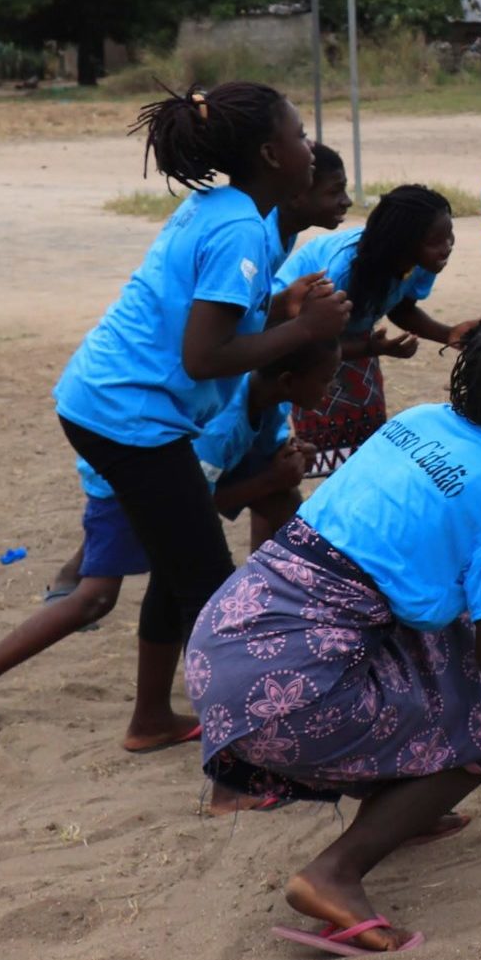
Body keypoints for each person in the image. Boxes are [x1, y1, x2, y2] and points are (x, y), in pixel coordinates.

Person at [188, 311, 481, 956]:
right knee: (477, 736)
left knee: (443, 637)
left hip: (220, 642)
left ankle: (405, 806)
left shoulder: (416, 423)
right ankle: (334, 873)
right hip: (281, 696)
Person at [50, 82, 350, 757]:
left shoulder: (223, 207)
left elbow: (218, 310)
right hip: (131, 415)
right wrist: (308, 332)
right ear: (273, 154)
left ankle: (151, 719)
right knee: (212, 591)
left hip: (104, 399)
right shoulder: (242, 224)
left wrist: (282, 303)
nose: (309, 148)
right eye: (301, 136)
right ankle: (240, 761)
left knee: (177, 566)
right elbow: (205, 355)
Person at [0, 337, 341, 740]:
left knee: (208, 551)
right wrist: (270, 478)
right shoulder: (224, 423)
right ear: (287, 379)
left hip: (175, 473)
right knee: (96, 597)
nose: (330, 390)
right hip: (127, 484)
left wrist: (285, 463)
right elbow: (195, 503)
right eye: (326, 380)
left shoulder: (270, 401)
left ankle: (156, 716)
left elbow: (247, 473)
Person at [278, 185, 480, 477]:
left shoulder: (417, 264)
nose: (446, 246)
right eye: (436, 241)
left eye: (449, 236)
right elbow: (308, 339)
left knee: (366, 453)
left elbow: (400, 306)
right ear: (404, 243)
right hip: (300, 346)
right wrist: (373, 349)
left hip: (354, 344)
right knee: (331, 460)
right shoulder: (341, 273)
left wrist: (447, 333)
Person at [273, 143, 353, 258]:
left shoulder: (287, 231)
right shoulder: (256, 234)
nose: (347, 202)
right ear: (296, 195)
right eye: (334, 192)